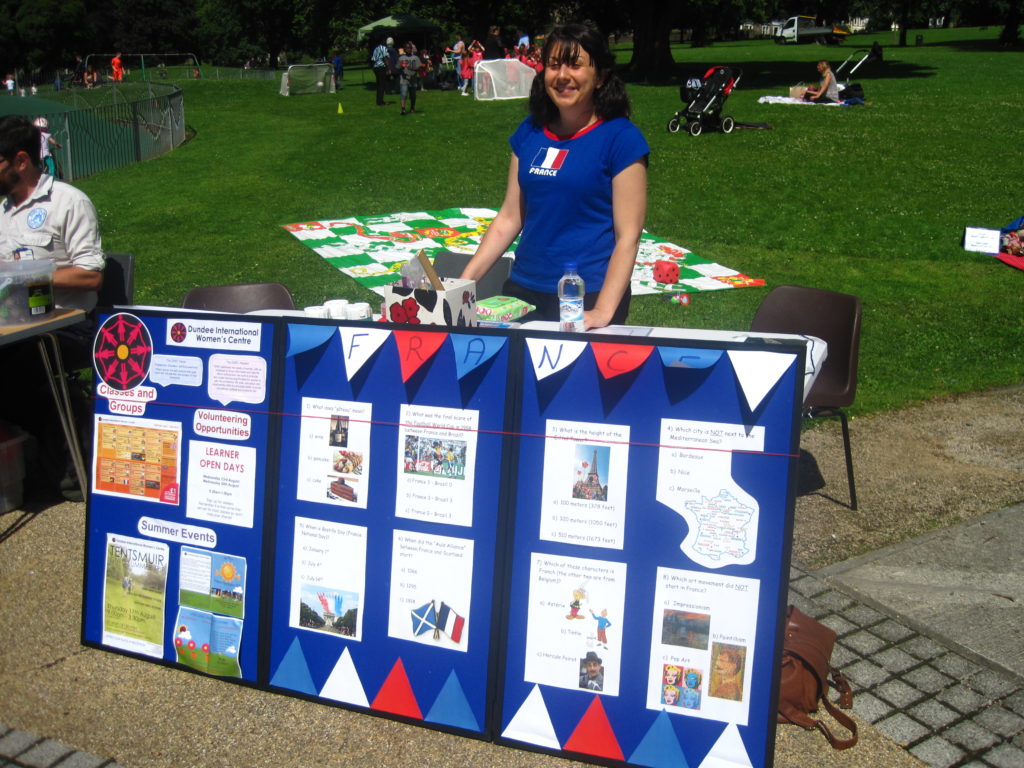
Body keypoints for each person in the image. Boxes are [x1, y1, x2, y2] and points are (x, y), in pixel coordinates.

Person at [460, 22, 649, 330]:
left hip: (587, 294)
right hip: (523, 289)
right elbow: (510, 217)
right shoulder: (530, 132)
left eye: (575, 65)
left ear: (599, 76)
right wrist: (461, 285)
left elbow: (628, 236)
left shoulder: (622, 139)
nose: (562, 76)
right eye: (553, 65)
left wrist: (602, 311)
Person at [0, 115, 105, 498]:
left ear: (21, 160)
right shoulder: (2, 213)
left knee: (16, 365)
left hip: (70, 326)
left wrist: (23, 277)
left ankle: (61, 466)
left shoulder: (67, 202)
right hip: (15, 323)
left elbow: (91, 276)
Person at [397, 42, 422, 115]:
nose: (408, 49)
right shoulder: (401, 58)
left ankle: (412, 108)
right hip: (404, 79)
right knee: (403, 94)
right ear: (404, 49)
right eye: (407, 48)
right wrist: (401, 66)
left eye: (410, 48)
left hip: (413, 79)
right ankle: (403, 109)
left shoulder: (415, 58)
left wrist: (411, 68)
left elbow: (418, 68)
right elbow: (397, 68)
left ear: (411, 49)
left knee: (413, 95)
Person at [371, 37, 392, 105]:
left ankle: (379, 100)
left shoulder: (376, 49)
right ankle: (380, 101)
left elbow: (373, 59)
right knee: (382, 85)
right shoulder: (383, 48)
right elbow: (385, 58)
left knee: (379, 85)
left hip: (376, 67)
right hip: (381, 67)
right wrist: (388, 68)